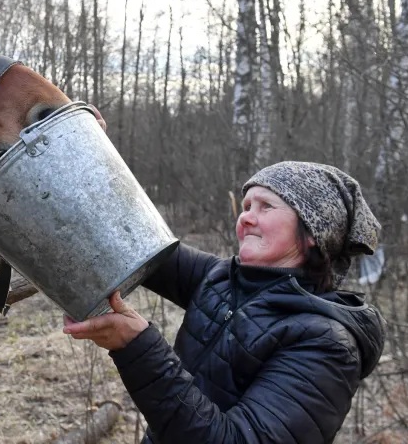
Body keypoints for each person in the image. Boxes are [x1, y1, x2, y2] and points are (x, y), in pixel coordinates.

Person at [63, 161, 386, 443]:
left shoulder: (327, 345)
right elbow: (130, 236)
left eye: (266, 207)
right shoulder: (221, 278)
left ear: (314, 230)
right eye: (246, 206)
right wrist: (85, 143)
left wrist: (136, 346)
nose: (246, 218)